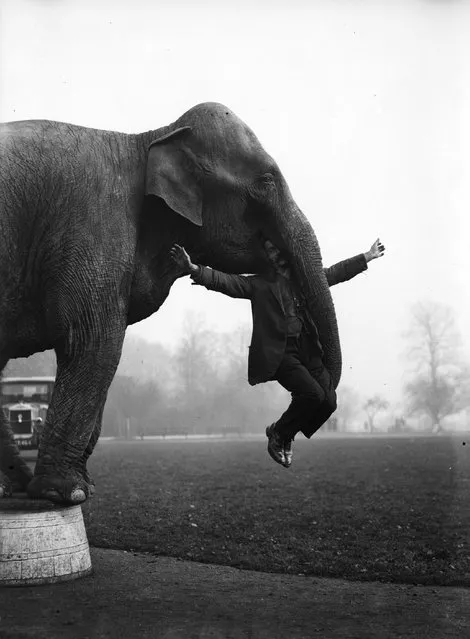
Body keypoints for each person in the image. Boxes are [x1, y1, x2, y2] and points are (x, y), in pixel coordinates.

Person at [170, 237, 385, 468]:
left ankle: (283, 432)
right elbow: (228, 282)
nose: (274, 255)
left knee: (329, 401)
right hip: (281, 354)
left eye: (276, 250)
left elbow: (334, 273)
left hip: (308, 350)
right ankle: (279, 434)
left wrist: (366, 256)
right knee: (313, 395)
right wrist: (194, 269)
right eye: (269, 252)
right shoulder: (259, 284)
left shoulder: (305, 279)